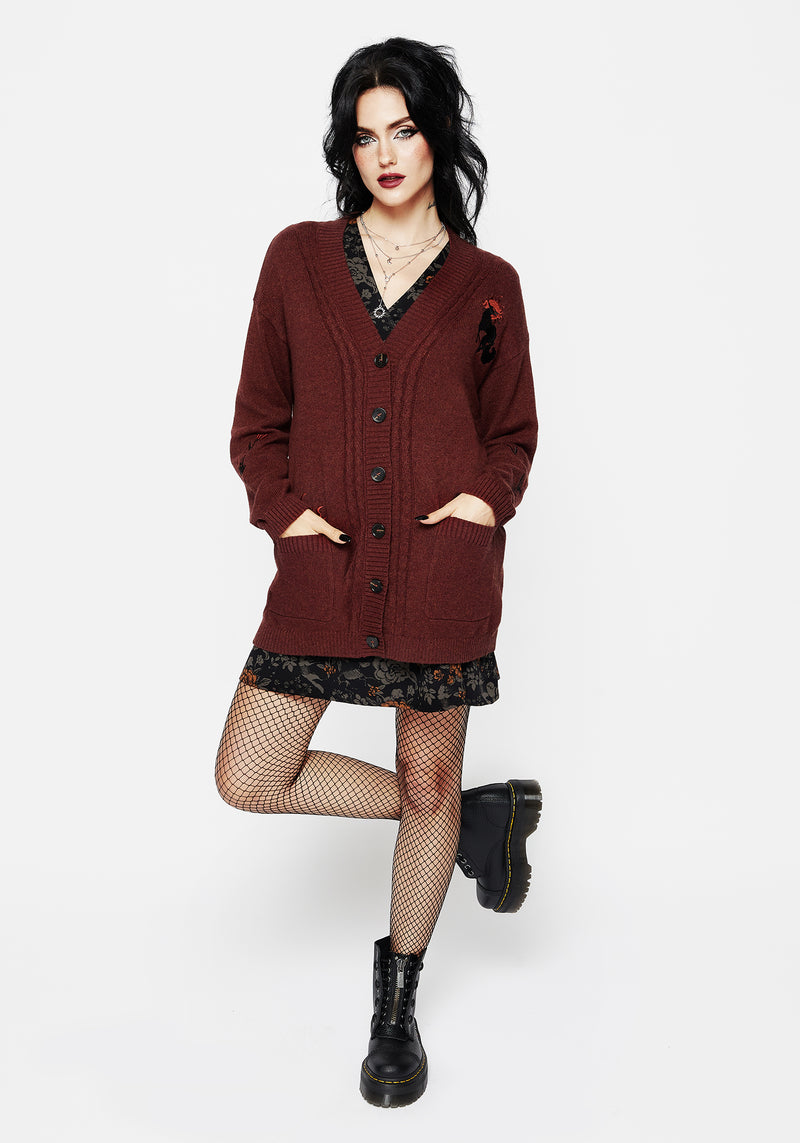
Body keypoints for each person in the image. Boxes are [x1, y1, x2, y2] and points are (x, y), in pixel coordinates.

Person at [215, 36, 542, 1108]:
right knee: (249, 774)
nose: (384, 155)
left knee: (425, 777)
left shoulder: (488, 287)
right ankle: (468, 818)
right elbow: (258, 421)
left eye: (402, 129)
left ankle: (395, 1007)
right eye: (363, 137)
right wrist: (287, 515)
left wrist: (482, 503)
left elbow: (512, 434)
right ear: (345, 151)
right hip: (324, 570)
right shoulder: (297, 261)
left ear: (437, 134)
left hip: (442, 577)